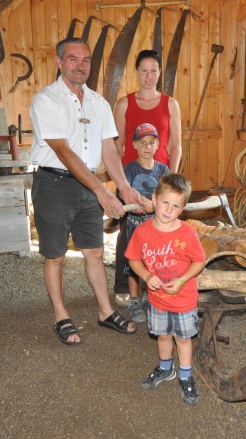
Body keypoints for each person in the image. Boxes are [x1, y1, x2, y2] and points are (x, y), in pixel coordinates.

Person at [29, 37, 144, 346]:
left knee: (93, 252)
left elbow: (108, 149)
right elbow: (64, 152)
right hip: (54, 184)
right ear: (59, 62)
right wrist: (101, 192)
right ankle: (61, 315)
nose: (80, 65)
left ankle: (105, 312)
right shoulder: (46, 100)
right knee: (55, 256)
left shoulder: (98, 103)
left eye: (86, 60)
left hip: (88, 185)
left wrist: (123, 187)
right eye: (73, 59)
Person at [125, 173, 206, 405]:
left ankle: (185, 375)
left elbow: (199, 261)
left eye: (176, 206)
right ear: (154, 198)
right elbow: (133, 259)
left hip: (183, 300)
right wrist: (147, 275)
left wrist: (182, 280)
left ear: (183, 209)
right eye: (165, 203)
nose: (169, 210)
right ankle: (165, 368)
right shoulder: (143, 231)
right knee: (162, 336)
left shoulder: (187, 234)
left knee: (183, 338)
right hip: (158, 299)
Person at [113, 50, 183, 303]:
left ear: (159, 73)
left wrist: (171, 181)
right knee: (129, 235)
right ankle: (124, 286)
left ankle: (158, 287)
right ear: (137, 72)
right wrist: (121, 184)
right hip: (131, 180)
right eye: (144, 70)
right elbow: (118, 144)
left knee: (160, 235)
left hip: (159, 179)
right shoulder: (124, 104)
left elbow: (176, 145)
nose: (149, 75)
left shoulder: (170, 104)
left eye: (154, 70)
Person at [119, 123, 170, 323]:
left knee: (155, 262)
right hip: (134, 225)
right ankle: (134, 300)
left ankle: (150, 297)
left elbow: (167, 193)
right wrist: (140, 202)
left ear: (157, 145)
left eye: (151, 142)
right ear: (135, 145)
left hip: (155, 226)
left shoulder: (163, 169)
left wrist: (159, 204)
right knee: (134, 264)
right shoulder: (129, 169)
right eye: (143, 143)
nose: (147, 147)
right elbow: (125, 194)